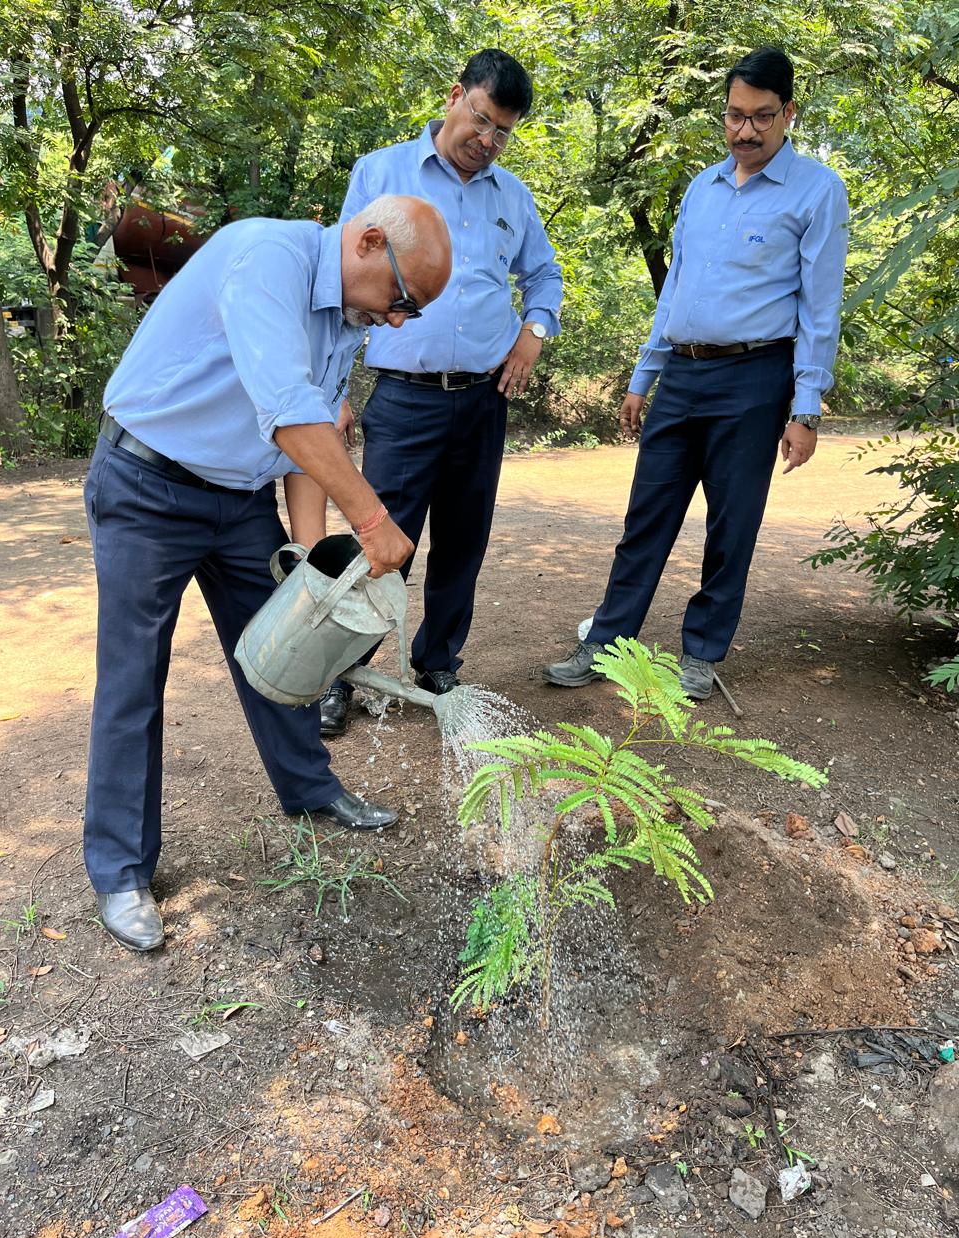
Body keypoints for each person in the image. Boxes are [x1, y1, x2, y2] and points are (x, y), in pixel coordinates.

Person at [84, 195, 452, 951]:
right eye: (402, 298)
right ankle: (120, 869)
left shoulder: (345, 318)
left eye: (409, 311)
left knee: (289, 647)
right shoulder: (266, 258)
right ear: (368, 241)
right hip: (147, 487)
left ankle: (309, 788)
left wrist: (311, 567)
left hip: (239, 499)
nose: (396, 321)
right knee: (133, 676)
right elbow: (290, 415)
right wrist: (374, 522)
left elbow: (309, 444)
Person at [544, 46, 848, 699]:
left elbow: (820, 309)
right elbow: (674, 291)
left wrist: (806, 407)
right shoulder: (702, 189)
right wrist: (643, 375)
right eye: (735, 115)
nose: (745, 130)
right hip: (682, 375)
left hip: (756, 378)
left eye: (761, 117)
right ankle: (606, 642)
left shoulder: (818, 191)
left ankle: (702, 653)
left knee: (731, 524)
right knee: (645, 516)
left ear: (789, 113)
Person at [317, 48, 563, 737]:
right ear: (456, 96)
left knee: (463, 542)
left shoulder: (512, 197)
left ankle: (438, 662)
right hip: (404, 397)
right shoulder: (381, 172)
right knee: (379, 538)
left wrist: (532, 333)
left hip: (483, 398)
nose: (487, 140)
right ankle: (341, 672)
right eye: (480, 120)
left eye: (503, 132)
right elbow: (338, 282)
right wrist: (334, 389)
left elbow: (544, 276)